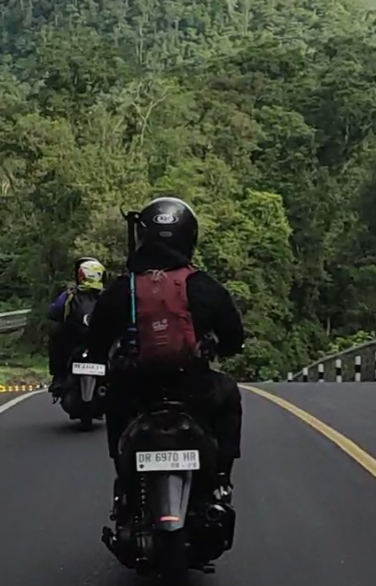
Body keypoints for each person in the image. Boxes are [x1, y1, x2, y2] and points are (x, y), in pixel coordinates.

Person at [86, 197, 244, 495]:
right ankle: (221, 479)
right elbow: (233, 337)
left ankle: (124, 485)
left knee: (114, 407)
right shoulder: (204, 285)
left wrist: (106, 363)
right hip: (194, 388)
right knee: (229, 397)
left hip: (135, 389)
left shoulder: (122, 288)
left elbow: (96, 340)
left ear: (142, 236)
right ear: (190, 237)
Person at [47, 258, 106, 394]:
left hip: (75, 340)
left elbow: (53, 312)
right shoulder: (107, 294)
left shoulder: (70, 295)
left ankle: (58, 378)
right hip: (100, 341)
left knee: (56, 339)